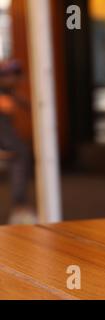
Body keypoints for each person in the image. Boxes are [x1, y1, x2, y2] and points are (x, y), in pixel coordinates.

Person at [0, 60, 36, 224]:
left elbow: (27, 105)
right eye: (7, 75)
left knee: (20, 159)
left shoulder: (10, 94)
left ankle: (20, 206)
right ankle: (19, 207)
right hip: (8, 143)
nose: (13, 79)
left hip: (9, 142)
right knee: (20, 158)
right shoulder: (5, 98)